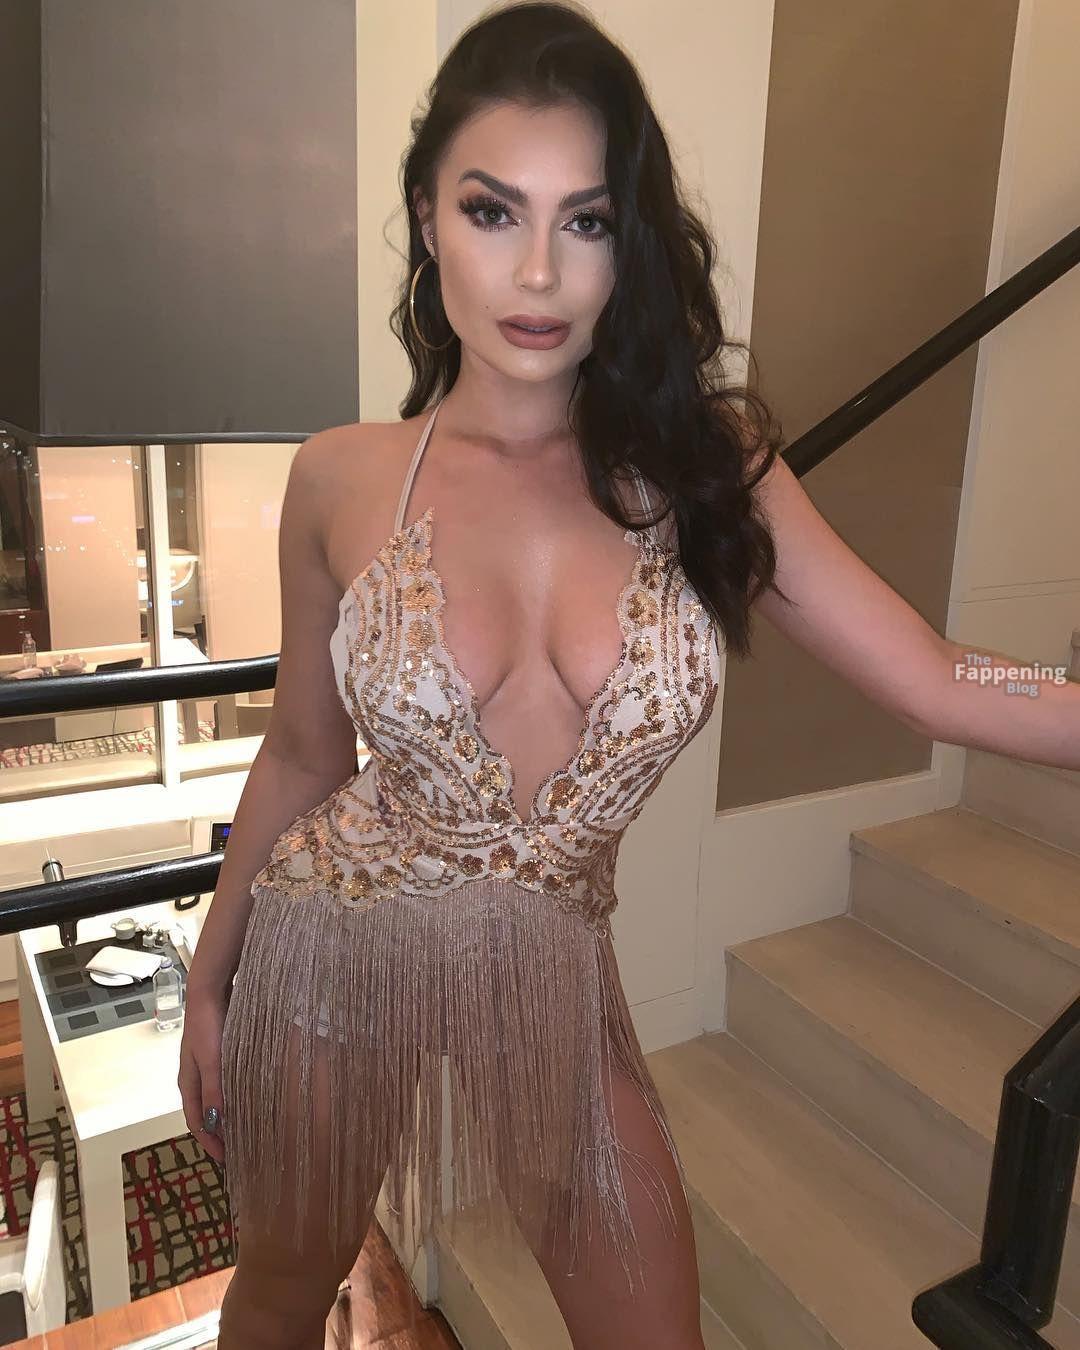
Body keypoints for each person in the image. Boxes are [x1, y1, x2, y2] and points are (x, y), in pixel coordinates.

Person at [180, 2, 1080, 1346]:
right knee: (280, 1293)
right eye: (494, 211)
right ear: (427, 216)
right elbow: (305, 754)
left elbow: (942, 677)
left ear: (628, 243)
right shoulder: (340, 476)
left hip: (551, 972)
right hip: (333, 944)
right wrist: (210, 979)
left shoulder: (710, 469)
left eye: (587, 221)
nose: (540, 271)